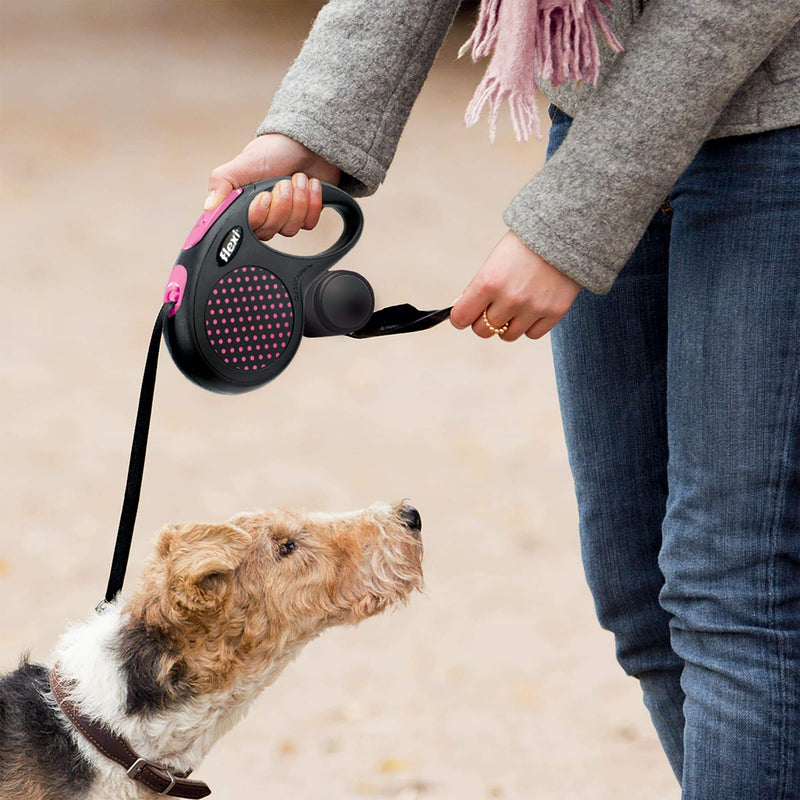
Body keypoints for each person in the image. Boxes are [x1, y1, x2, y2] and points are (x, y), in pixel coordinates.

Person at [203, 1, 800, 796]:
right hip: (598, 106)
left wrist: (571, 219)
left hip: (778, 134)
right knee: (641, 599)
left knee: (733, 601)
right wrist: (313, 128)